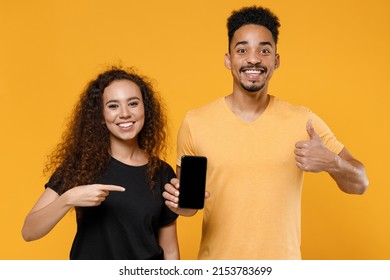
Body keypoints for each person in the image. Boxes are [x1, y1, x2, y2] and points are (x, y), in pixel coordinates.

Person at [163, 6, 369, 259]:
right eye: (242, 50)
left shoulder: (304, 121)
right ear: (228, 59)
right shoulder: (196, 122)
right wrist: (178, 201)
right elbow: (188, 208)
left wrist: (332, 162)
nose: (253, 59)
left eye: (264, 50)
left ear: (276, 60)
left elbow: (360, 183)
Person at [22, 67, 179, 260]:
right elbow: (29, 232)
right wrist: (68, 198)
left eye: (133, 103)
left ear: (145, 109)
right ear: (101, 116)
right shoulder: (81, 166)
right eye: (113, 106)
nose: (125, 113)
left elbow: (170, 250)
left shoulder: (162, 172)